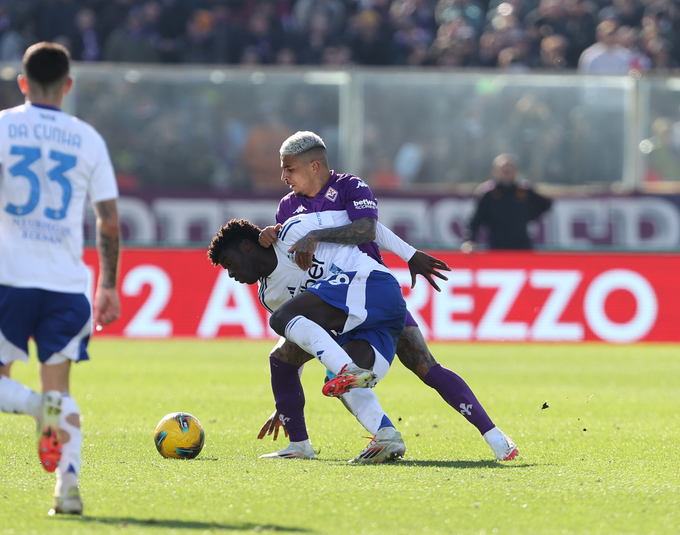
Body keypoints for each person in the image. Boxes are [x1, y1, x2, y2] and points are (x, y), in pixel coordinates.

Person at [257, 131, 519, 462]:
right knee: (287, 360)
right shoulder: (287, 207)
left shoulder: (351, 187)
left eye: (289, 169)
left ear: (313, 166)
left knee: (425, 366)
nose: (283, 177)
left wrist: (406, 254)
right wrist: (270, 235)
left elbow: (368, 230)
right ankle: (307, 444)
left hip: (369, 292)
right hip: (330, 300)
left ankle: (496, 438)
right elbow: (289, 261)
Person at [0, 42, 121, 516]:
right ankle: (68, 488)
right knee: (58, 389)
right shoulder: (88, 139)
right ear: (68, 85)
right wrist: (108, 284)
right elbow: (108, 221)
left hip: (8, 278)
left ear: (22, 82)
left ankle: (37, 409)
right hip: (66, 283)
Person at [208, 212, 409, 463]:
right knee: (283, 359)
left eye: (229, 262)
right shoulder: (270, 295)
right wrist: (286, 399)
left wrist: (409, 254)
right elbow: (304, 336)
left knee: (281, 320)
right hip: (367, 327)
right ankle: (379, 435)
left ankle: (347, 368)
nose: (230, 274)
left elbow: (360, 222)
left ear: (246, 247)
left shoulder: (291, 232)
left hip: (374, 286)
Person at [462, 153, 552, 252]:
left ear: (517, 171)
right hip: (497, 248)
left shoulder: (523, 191)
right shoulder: (489, 194)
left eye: (510, 169)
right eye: (504, 170)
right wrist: (469, 241)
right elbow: (475, 222)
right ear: (495, 172)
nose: (507, 172)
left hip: (523, 248)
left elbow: (547, 204)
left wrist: (528, 215)